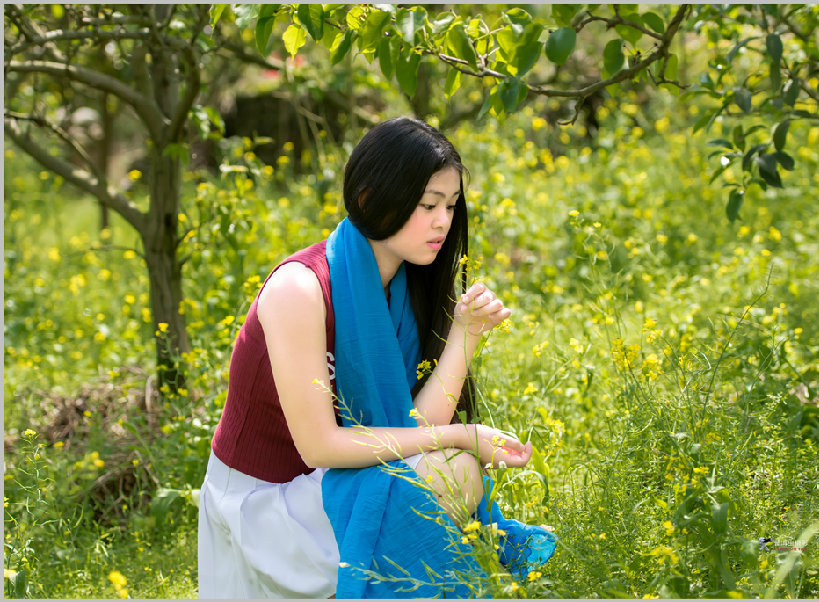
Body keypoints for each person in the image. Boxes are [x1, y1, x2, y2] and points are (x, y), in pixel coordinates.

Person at [198, 117, 555, 599]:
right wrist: (463, 434)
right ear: (370, 199)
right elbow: (320, 448)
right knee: (452, 466)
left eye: (450, 206)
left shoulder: (403, 288)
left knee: (453, 469)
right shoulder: (300, 289)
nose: (442, 222)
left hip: (334, 484)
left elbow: (411, 428)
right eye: (428, 205)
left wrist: (466, 336)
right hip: (266, 506)